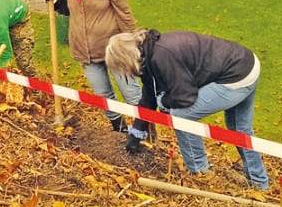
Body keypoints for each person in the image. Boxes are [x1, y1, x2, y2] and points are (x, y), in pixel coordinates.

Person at [105, 28, 269, 190]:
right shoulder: (150, 51)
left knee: (181, 116)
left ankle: (200, 173)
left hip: (235, 76)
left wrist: (164, 103)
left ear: (124, 59)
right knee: (240, 129)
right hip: (246, 63)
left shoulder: (161, 57)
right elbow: (148, 99)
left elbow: (185, 97)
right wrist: (135, 135)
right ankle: (259, 182)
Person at [43, 0, 140, 132]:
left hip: (114, 50)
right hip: (85, 51)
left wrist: (133, 45)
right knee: (104, 97)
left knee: (132, 96)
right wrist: (56, 0)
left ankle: (145, 134)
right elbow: (72, 9)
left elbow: (124, 12)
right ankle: (120, 132)